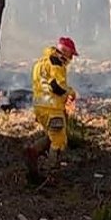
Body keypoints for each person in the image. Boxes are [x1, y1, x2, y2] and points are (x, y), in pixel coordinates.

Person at [27, 37, 78, 170]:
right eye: (71, 54)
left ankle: (33, 151)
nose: (71, 58)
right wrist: (71, 93)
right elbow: (57, 87)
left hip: (40, 108)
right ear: (65, 51)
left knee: (52, 135)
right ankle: (50, 170)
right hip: (52, 108)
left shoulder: (40, 63)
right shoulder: (56, 63)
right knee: (59, 141)